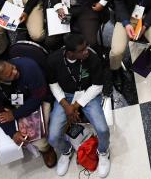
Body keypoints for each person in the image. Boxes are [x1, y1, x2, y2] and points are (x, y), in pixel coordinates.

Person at [47, 33, 111, 177]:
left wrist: (75, 106)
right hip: (65, 96)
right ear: (70, 53)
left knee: (103, 129)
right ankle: (66, 150)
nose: (86, 51)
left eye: (86, 47)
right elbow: (53, 83)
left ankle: (103, 152)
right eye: (81, 50)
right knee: (53, 137)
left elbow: (97, 86)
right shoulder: (54, 60)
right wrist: (65, 105)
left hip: (89, 94)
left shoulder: (92, 58)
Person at [0, 58, 56, 168]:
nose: (15, 72)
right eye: (9, 75)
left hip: (37, 101)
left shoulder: (29, 66)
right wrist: (12, 132)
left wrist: (15, 114)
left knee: (38, 139)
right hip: (10, 105)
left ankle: (46, 149)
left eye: (12, 67)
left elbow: (39, 96)